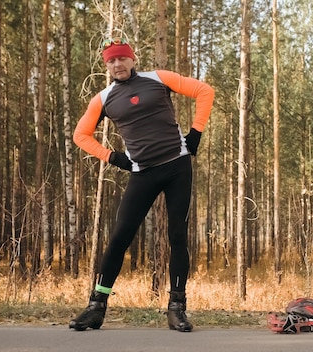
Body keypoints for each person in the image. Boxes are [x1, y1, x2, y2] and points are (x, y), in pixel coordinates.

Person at [69, 38, 215, 332]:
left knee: (177, 236)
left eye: (122, 59)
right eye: (111, 61)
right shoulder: (104, 99)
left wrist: (196, 133)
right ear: (106, 66)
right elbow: (81, 135)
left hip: (177, 167)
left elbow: (204, 90)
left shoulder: (158, 79)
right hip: (142, 173)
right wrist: (113, 157)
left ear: (133, 59)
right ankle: (96, 308)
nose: (117, 64)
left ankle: (177, 310)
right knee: (120, 237)